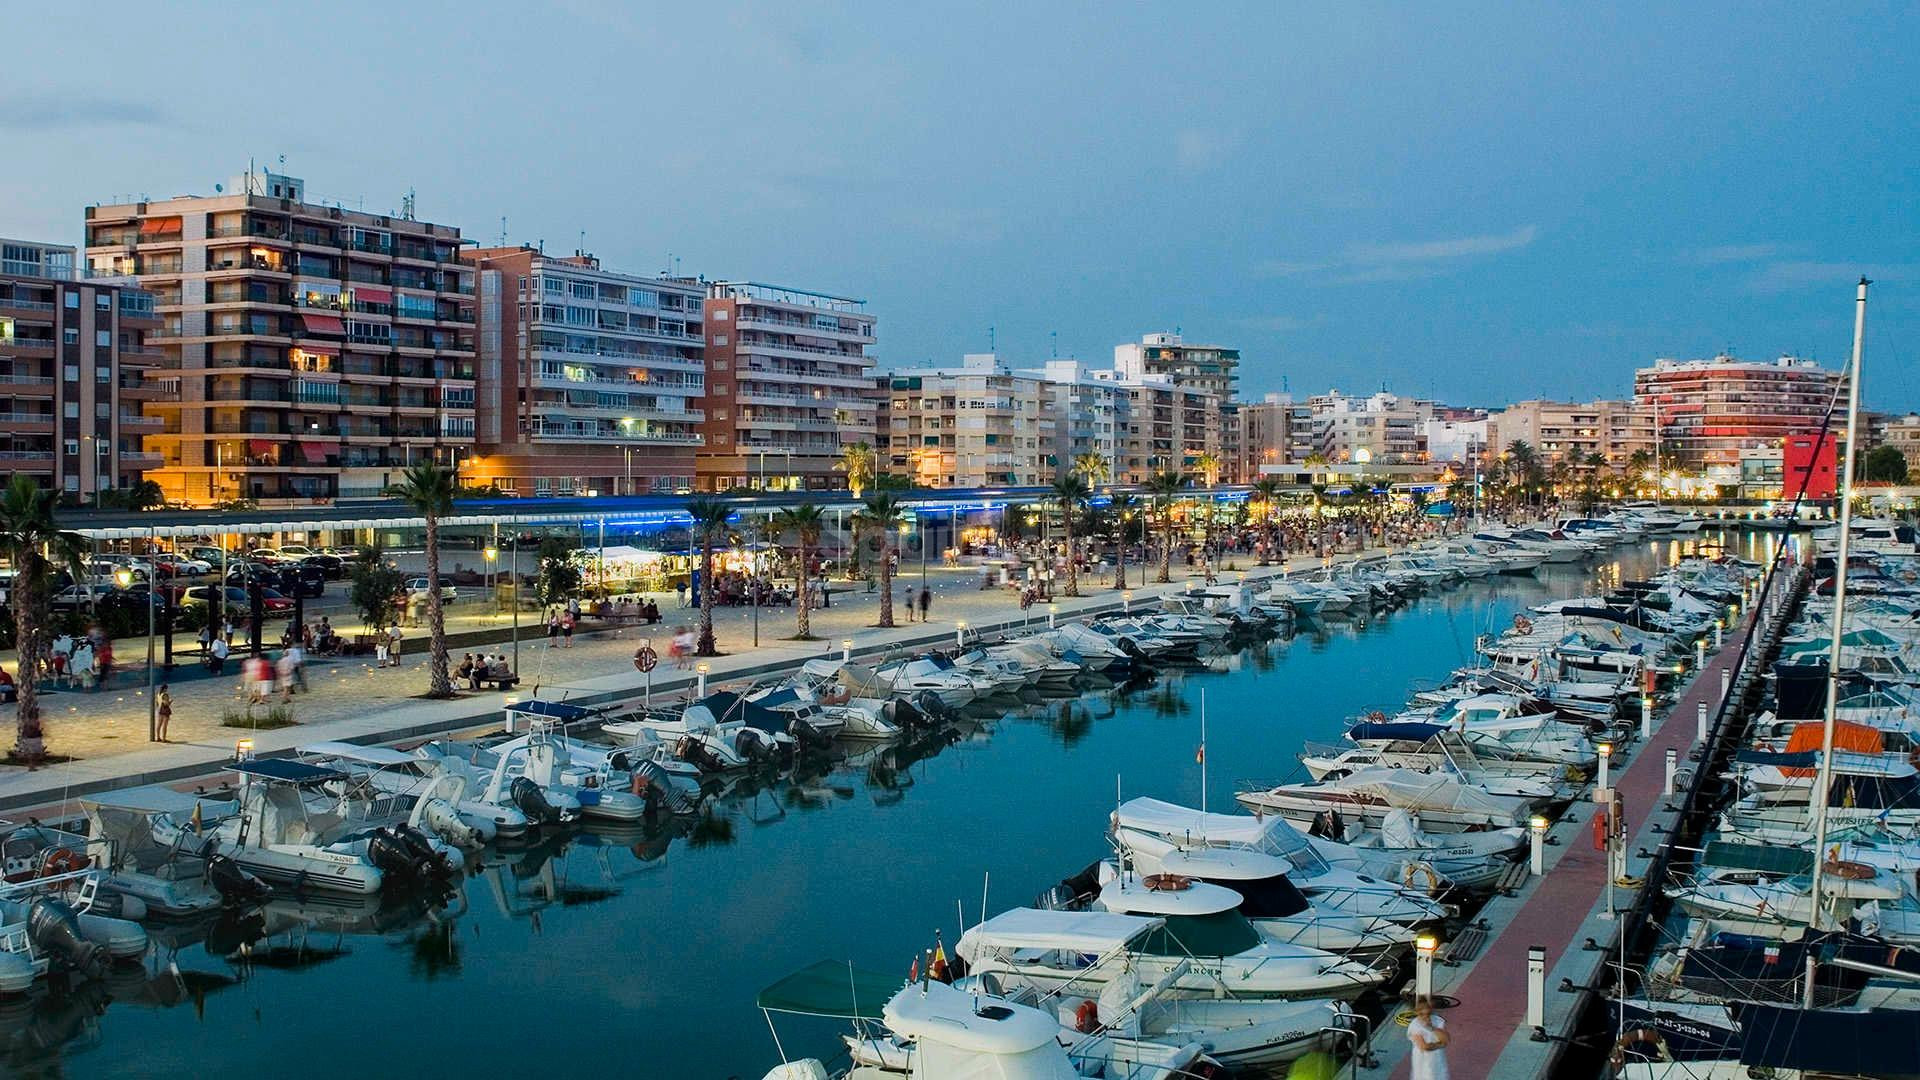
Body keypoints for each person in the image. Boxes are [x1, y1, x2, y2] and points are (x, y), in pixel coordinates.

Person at [1407, 996, 1451, 1080]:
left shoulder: (1437, 1020)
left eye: (1428, 1014)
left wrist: (1432, 1028)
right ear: (1416, 1012)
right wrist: (1441, 1044)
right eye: (1422, 1014)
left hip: (1438, 1058)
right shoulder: (1415, 1026)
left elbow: (1447, 1039)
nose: (1425, 1017)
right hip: (1423, 1060)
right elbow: (1425, 1047)